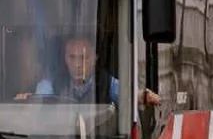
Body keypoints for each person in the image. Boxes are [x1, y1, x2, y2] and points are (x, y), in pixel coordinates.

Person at [17, 35, 160, 106]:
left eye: (84, 57)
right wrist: (29, 100)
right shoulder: (51, 84)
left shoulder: (107, 83)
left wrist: (145, 96)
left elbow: (128, 95)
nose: (77, 64)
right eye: (72, 57)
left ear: (95, 58)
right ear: (65, 58)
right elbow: (39, 101)